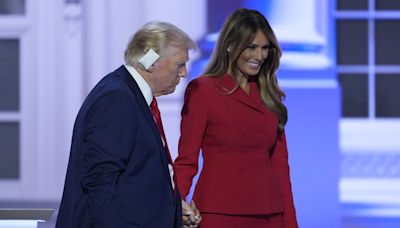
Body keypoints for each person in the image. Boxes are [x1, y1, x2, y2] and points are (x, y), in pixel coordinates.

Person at [56, 21, 200, 228]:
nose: (184, 73)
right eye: (179, 64)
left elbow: (136, 178)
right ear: (152, 62)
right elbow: (100, 182)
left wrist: (173, 211)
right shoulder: (117, 99)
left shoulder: (130, 96)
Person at [174, 8, 299, 228]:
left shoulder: (269, 95)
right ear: (230, 45)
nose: (259, 56)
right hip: (220, 211)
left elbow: (280, 168)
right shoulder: (203, 91)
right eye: (251, 47)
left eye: (264, 48)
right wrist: (171, 209)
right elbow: (187, 160)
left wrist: (290, 223)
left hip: (269, 214)